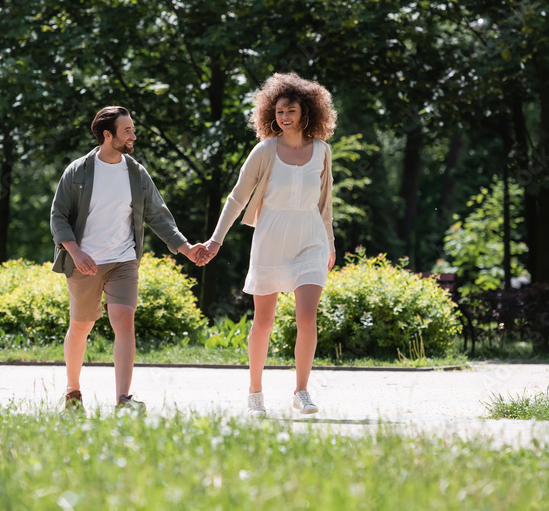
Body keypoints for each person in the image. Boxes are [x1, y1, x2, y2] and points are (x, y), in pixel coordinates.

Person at [50, 105, 209, 414]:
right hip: (85, 262)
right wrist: (75, 251)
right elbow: (58, 217)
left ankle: (123, 399)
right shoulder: (78, 171)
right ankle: (73, 390)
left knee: (124, 319)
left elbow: (158, 216)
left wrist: (187, 248)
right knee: (81, 326)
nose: (133, 135)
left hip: (124, 260)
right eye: (127, 131)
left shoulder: (135, 172)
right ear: (108, 135)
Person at [203, 72, 337, 416]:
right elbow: (236, 198)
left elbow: (325, 204)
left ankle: (302, 390)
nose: (284, 117)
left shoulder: (322, 151)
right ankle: (255, 392)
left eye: (290, 110)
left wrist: (330, 243)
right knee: (263, 321)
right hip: (270, 239)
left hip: (310, 240)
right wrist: (216, 239)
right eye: (278, 111)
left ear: (306, 111)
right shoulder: (264, 151)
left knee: (307, 317)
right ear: (270, 114)